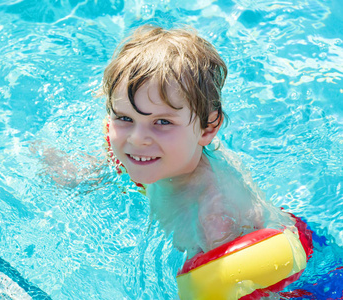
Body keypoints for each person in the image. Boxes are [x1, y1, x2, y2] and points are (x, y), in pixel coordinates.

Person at [101, 25, 313, 299]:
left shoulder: (213, 221)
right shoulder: (164, 149)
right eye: (125, 118)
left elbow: (243, 287)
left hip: (288, 269)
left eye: (162, 122)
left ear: (208, 128)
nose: (138, 139)